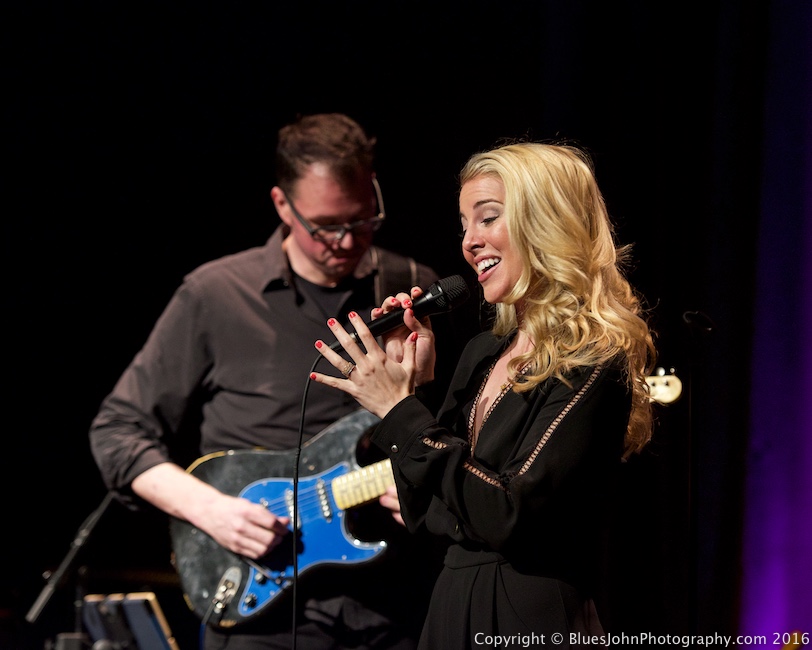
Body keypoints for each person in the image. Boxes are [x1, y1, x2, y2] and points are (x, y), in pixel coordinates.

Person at [88, 113, 453, 650]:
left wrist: (422, 467)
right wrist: (210, 510)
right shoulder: (215, 294)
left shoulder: (412, 286)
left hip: (392, 598)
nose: (348, 240)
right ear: (283, 205)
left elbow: (451, 426)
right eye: (327, 226)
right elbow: (117, 431)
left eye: (362, 220)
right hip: (259, 602)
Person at [310, 141, 657, 648]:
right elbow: (424, 509)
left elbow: (506, 512)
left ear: (547, 222)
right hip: (452, 602)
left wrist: (398, 409)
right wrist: (415, 387)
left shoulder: (595, 358)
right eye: (464, 225)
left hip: (529, 613)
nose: (469, 242)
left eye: (488, 218)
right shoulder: (482, 352)